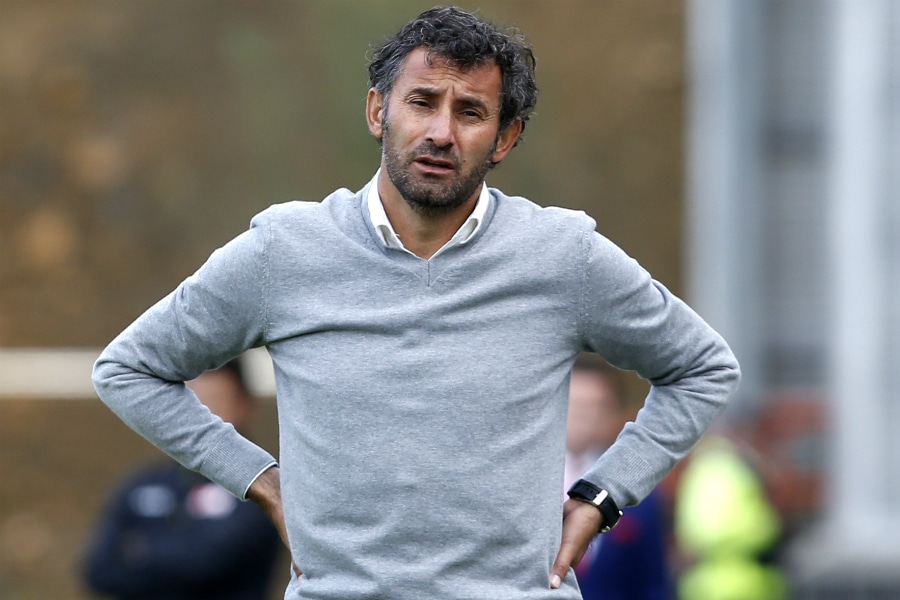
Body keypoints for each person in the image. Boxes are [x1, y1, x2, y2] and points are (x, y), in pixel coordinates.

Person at [91, 6, 740, 600]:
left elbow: (703, 368)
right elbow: (129, 369)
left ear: (505, 137)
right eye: (422, 102)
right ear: (379, 111)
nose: (441, 132)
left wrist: (603, 495)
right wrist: (261, 481)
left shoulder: (563, 255)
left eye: (471, 112)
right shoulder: (284, 250)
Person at [82, 359, 282, 600]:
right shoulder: (144, 483)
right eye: (194, 403)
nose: (204, 417)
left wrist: (141, 551)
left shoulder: (263, 487)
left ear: (245, 405)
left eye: (216, 400)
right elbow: (99, 571)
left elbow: (205, 563)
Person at [565, 355, 671, 600]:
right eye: (574, 405)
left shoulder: (637, 488)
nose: (583, 417)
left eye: (595, 406)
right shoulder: (526, 486)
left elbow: (652, 582)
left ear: (612, 411)